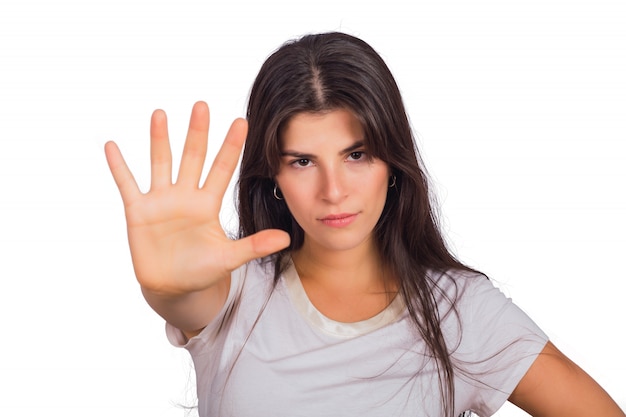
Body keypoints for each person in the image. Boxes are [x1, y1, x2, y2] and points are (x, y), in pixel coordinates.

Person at [104, 32, 624, 417]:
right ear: (274, 176)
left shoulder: (460, 313)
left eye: (357, 154)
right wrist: (165, 289)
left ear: (392, 161)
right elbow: (187, 299)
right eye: (302, 161)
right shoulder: (234, 291)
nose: (334, 190)